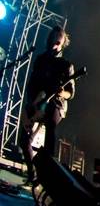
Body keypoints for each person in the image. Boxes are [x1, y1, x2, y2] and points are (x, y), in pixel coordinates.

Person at [19, 26, 76, 183]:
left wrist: (61, 93)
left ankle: (47, 176)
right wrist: (31, 104)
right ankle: (32, 173)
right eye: (53, 39)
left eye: (58, 41)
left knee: (51, 126)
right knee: (24, 140)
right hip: (38, 103)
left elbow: (71, 94)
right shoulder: (40, 60)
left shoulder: (66, 65)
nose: (54, 43)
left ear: (63, 43)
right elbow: (32, 84)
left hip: (55, 105)